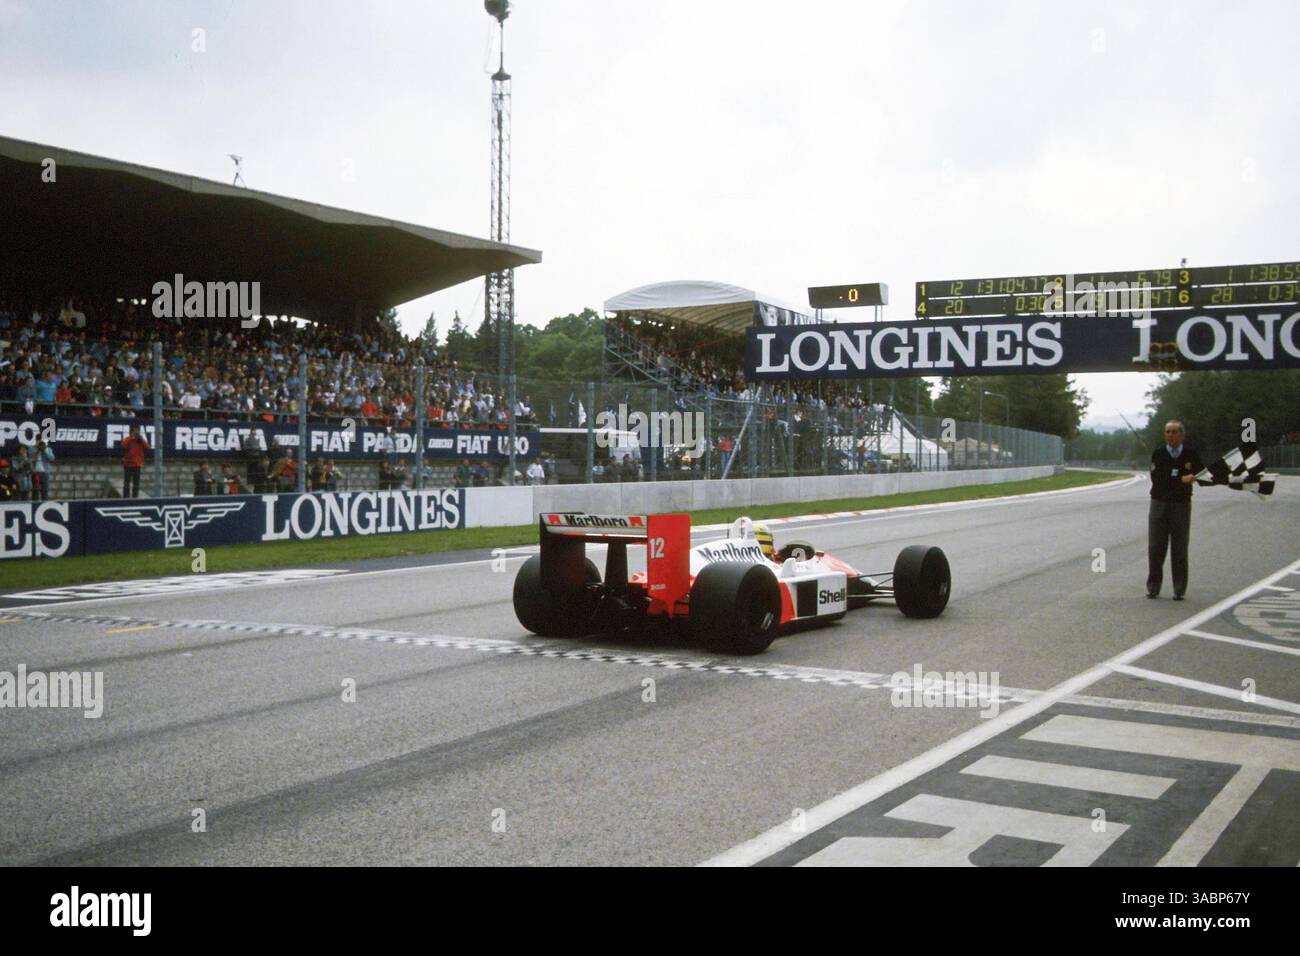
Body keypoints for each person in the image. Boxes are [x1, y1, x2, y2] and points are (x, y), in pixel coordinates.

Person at [1147, 420, 1203, 600]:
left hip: (1181, 505)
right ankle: (1153, 586)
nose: (1170, 435)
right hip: (1159, 504)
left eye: (1174, 432)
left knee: (1179, 547)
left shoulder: (1190, 455)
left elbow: (1201, 474)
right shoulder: (1159, 454)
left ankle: (1179, 589)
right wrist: (1181, 479)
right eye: (1167, 432)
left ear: (1182, 435)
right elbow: (1158, 479)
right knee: (1156, 547)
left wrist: (1192, 478)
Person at [121, 424, 148, 498]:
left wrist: (141, 440)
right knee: (127, 483)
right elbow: (123, 446)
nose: (136, 433)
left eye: (138, 431)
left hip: (137, 465)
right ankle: (125, 498)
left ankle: (135, 497)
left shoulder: (141, 440)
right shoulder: (127, 439)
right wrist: (131, 438)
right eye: (135, 431)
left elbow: (147, 447)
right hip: (128, 464)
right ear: (131, 432)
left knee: (136, 484)